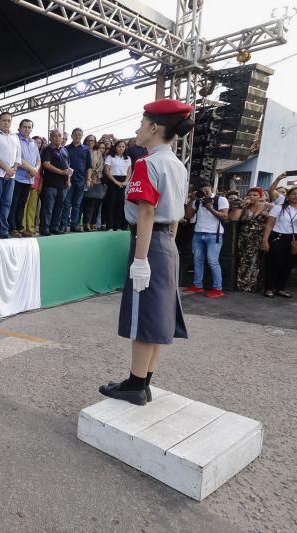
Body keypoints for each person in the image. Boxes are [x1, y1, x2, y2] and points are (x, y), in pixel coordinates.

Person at [99, 98, 194, 406]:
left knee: (143, 317)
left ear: (154, 127)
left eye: (141, 124)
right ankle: (144, 382)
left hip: (149, 243)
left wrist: (140, 260)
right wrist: (169, 247)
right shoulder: (177, 165)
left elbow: (146, 213)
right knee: (158, 317)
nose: (137, 129)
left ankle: (135, 385)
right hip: (167, 244)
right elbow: (176, 214)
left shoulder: (147, 163)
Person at [182, 180, 230, 297]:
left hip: (214, 235)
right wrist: (193, 199)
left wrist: (210, 208)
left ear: (211, 188)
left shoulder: (220, 199)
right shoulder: (197, 201)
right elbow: (188, 215)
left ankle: (218, 288)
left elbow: (225, 216)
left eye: (206, 191)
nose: (205, 194)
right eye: (202, 192)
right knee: (197, 261)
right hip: (198, 233)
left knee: (212, 261)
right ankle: (197, 285)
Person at [261, 185, 297, 298]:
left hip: (296, 239)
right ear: (288, 196)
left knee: (288, 265)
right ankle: (269, 288)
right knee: (274, 263)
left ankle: (281, 288)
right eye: (294, 193)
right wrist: (265, 240)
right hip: (278, 237)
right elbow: (269, 224)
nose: (296, 196)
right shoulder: (279, 207)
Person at [229, 187, 271, 292]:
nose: (252, 197)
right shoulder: (244, 208)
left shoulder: (267, 206)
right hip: (244, 238)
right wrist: (240, 206)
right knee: (244, 260)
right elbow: (233, 218)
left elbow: (271, 223)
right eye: (250, 195)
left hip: (259, 237)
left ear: (260, 197)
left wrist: (265, 239)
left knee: (256, 261)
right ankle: (242, 284)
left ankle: (254, 286)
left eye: (255, 195)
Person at [8, 119, 40, 237]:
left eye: (29, 127)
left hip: (29, 178)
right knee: (14, 203)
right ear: (19, 128)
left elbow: (38, 159)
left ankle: (19, 227)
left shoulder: (33, 142)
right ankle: (12, 228)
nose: (27, 129)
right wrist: (31, 169)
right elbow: (17, 158)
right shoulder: (15, 139)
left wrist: (35, 170)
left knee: (22, 204)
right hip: (17, 177)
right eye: (24, 127)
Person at [38, 129, 71, 236]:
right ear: (50, 138)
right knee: (48, 207)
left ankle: (54, 227)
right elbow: (46, 165)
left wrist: (68, 180)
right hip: (50, 184)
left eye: (59, 136)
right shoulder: (47, 150)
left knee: (59, 207)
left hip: (63, 185)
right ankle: (44, 228)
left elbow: (68, 167)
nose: (57, 138)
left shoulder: (64, 150)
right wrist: (61, 172)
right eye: (54, 136)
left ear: (62, 138)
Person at [61, 128, 93, 232]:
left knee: (77, 204)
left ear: (82, 136)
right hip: (68, 181)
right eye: (76, 134)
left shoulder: (86, 149)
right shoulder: (66, 148)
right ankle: (64, 225)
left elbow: (89, 166)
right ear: (72, 136)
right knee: (66, 204)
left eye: (80, 135)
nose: (78, 136)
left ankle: (74, 225)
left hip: (81, 180)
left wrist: (88, 179)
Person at [102, 140, 131, 231]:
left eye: (123, 147)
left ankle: (118, 226)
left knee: (121, 203)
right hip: (113, 181)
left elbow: (129, 171)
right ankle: (110, 226)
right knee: (111, 203)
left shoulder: (127, 158)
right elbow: (107, 171)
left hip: (124, 182)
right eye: (119, 146)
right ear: (115, 147)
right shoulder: (110, 157)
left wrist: (126, 181)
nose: (121, 148)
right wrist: (115, 181)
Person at [82, 141, 107, 231]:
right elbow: (87, 166)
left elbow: (101, 166)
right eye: (100, 147)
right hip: (87, 179)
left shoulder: (99, 154)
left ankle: (93, 222)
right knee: (89, 203)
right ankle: (87, 223)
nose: (101, 149)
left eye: (103, 148)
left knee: (96, 203)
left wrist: (96, 176)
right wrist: (90, 178)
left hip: (98, 180)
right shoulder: (86, 152)